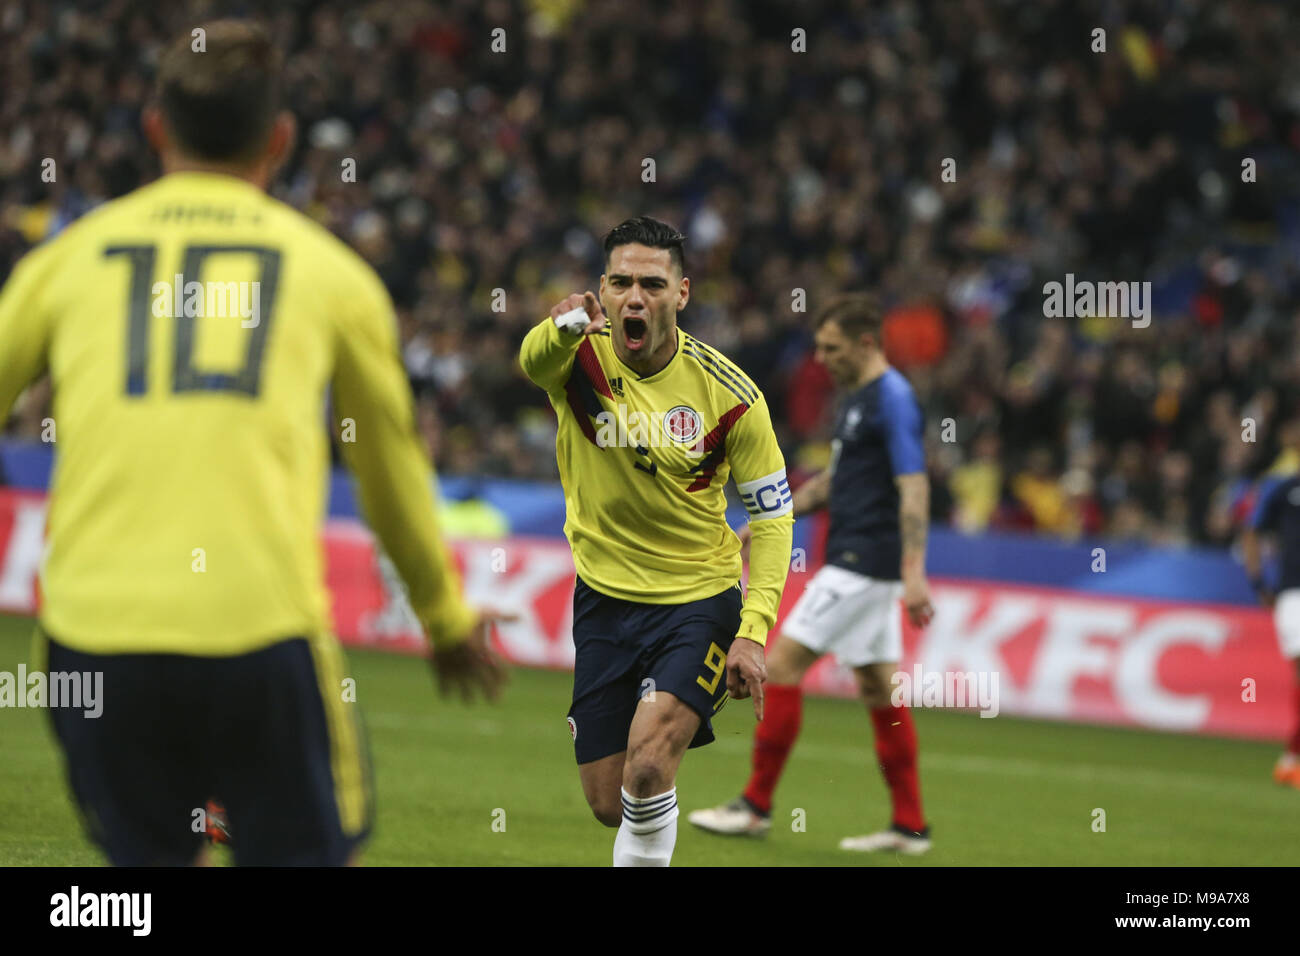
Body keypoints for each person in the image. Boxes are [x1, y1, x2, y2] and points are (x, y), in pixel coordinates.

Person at [0, 20, 505, 866]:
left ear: (155, 126)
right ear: (281, 139)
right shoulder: (334, 276)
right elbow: (389, 473)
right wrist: (446, 621)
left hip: (93, 642)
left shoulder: (65, 261)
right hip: (259, 636)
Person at [518, 216, 794, 866]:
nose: (634, 297)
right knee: (610, 800)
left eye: (651, 283)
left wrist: (754, 630)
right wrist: (556, 325)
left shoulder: (734, 400)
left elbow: (774, 518)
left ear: (682, 293)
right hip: (604, 602)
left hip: (699, 600)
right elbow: (533, 363)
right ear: (603, 292)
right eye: (620, 282)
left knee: (646, 765)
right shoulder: (576, 356)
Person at [689, 293, 937, 853]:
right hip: (856, 562)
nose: (820, 359)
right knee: (878, 690)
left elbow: (915, 484)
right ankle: (910, 825)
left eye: (831, 348)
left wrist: (914, 570)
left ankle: (753, 806)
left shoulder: (893, 398)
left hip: (862, 565)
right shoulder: (857, 401)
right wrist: (774, 517)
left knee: (777, 665)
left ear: (866, 343)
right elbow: (837, 480)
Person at [1240, 459, 1300, 790]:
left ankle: (1291, 759)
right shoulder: (1285, 489)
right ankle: (1292, 759)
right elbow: (1252, 530)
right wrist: (1258, 582)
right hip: (1294, 593)